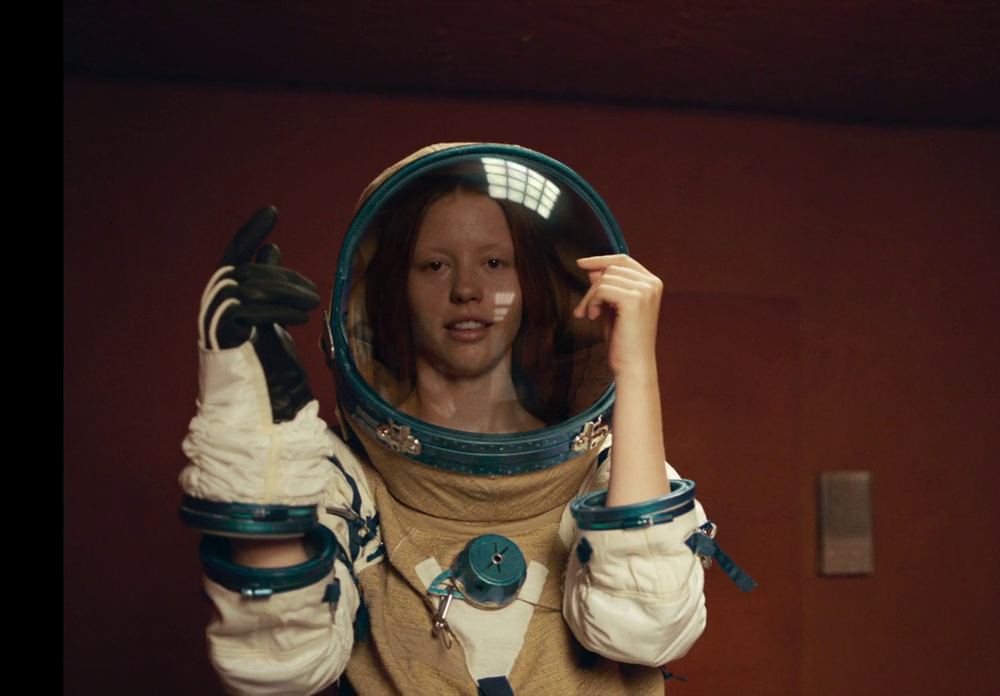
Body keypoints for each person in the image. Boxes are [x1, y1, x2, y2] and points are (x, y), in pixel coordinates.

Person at [178, 143, 752, 696]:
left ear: (527, 285)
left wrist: (638, 370)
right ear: (395, 289)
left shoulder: (610, 476)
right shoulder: (344, 482)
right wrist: (258, 440)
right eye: (434, 265)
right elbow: (280, 667)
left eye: (495, 262)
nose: (468, 290)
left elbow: (646, 628)